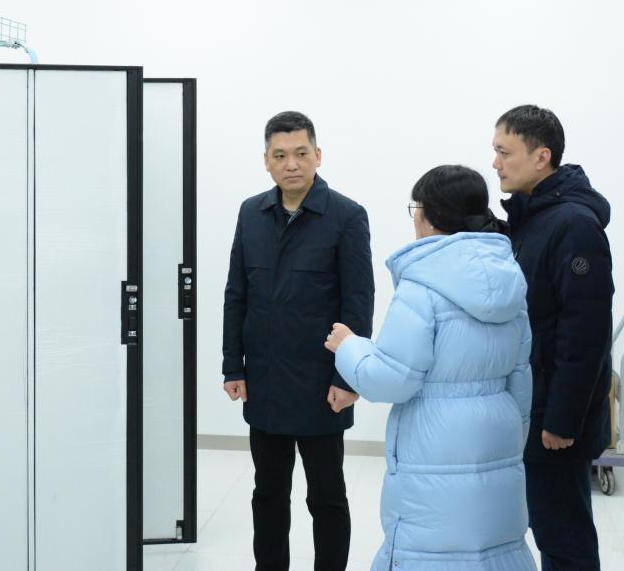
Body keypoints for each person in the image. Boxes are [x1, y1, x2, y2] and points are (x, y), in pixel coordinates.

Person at [325, 164, 536, 571]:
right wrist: (509, 438)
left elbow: (391, 380)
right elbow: (520, 378)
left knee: (430, 551)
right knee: (493, 550)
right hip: (498, 433)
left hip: (432, 441)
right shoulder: (510, 280)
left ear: (427, 214)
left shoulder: (422, 287)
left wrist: (349, 347)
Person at [222, 111, 374, 570]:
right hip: (264, 379)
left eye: (301, 153)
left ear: (318, 155)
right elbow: (236, 293)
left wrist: (348, 378)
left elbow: (358, 305)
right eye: (280, 155)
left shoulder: (346, 216)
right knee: (268, 493)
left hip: (321, 385)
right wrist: (233, 365)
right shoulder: (251, 213)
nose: (291, 164)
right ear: (266, 161)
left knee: (326, 496)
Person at [491, 105, 614, 571]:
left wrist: (562, 420)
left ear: (541, 157)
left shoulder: (573, 226)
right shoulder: (532, 218)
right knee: (549, 527)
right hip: (535, 405)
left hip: (556, 418)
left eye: (505, 152)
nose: (496, 163)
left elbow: (585, 335)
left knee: (564, 538)